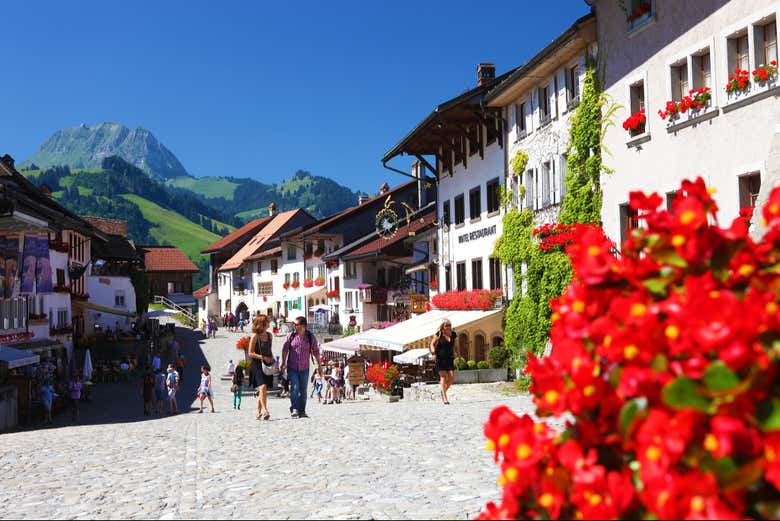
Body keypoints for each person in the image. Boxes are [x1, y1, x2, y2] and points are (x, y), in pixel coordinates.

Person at [281, 316, 321, 418]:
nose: (294, 326)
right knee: (294, 388)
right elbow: (285, 349)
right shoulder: (290, 336)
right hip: (292, 367)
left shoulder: (310, 337)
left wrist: (319, 365)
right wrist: (283, 362)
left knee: (303, 390)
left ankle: (302, 410)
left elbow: (316, 351)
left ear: (303, 326)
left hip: (305, 368)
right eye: (294, 324)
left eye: (296, 324)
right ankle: (294, 409)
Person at [248, 315, 275, 420]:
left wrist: (272, 360)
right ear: (262, 324)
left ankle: (258, 412)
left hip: (267, 365)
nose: (269, 323)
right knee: (262, 387)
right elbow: (250, 353)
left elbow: (269, 350)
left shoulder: (270, 336)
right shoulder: (255, 336)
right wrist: (262, 357)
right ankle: (265, 410)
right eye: (267, 322)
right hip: (256, 365)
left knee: (263, 389)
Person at [429, 319, 456, 405]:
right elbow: (432, 344)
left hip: (449, 358)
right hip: (440, 358)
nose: (448, 327)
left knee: (451, 377)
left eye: (449, 325)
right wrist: (433, 353)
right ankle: (445, 397)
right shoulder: (439, 334)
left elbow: (454, 345)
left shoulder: (453, 334)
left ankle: (443, 391)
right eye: (446, 326)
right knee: (443, 377)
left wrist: (458, 354)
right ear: (443, 327)